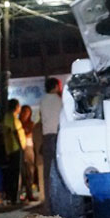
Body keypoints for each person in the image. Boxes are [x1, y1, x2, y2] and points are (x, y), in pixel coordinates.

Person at [39, 76, 63, 209]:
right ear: (55, 87)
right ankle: (59, 201)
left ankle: (48, 202)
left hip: (46, 137)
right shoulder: (59, 100)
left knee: (47, 171)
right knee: (59, 169)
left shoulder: (42, 101)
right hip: (58, 136)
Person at [1, 98, 26, 203]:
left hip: (12, 148)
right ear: (16, 107)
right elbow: (14, 132)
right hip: (15, 149)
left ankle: (13, 196)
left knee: (14, 173)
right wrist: (20, 146)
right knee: (15, 174)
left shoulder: (10, 117)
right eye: (19, 106)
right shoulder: (11, 117)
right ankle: (14, 197)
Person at [19, 104, 38, 202]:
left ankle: (29, 193)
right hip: (22, 148)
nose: (27, 114)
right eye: (25, 112)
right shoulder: (19, 123)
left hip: (30, 147)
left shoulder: (31, 123)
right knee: (24, 172)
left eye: (28, 112)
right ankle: (23, 193)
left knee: (30, 171)